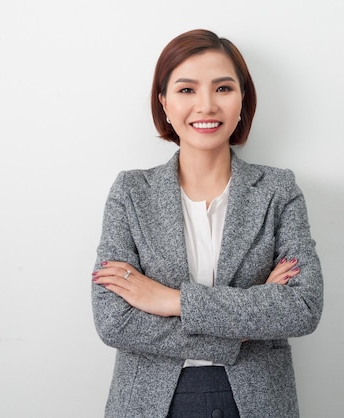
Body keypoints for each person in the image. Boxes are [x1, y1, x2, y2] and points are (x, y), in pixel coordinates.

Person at [91, 29, 323, 418]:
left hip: (257, 400)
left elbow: (302, 306)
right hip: (149, 402)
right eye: (186, 90)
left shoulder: (279, 190)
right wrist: (244, 326)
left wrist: (171, 300)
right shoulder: (131, 192)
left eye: (222, 88)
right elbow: (114, 320)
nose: (206, 105)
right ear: (163, 102)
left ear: (242, 99)